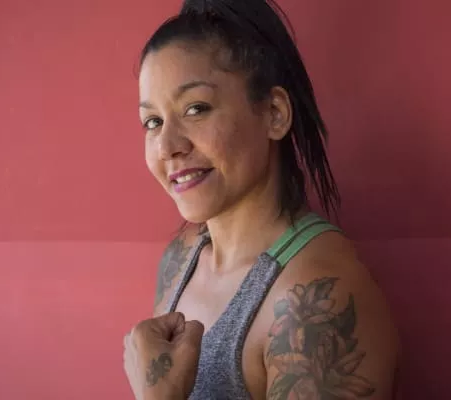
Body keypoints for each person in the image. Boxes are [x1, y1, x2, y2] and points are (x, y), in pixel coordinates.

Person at [124, 0, 399, 398]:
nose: (167, 146)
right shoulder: (179, 259)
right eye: (153, 121)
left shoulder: (318, 301)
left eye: (196, 109)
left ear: (273, 113)